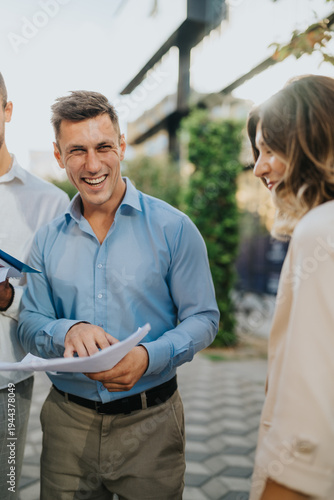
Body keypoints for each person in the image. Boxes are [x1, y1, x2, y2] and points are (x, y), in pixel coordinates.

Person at [18, 90, 219, 500]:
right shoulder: (45, 240)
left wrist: (149, 357)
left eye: (103, 146)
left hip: (152, 424)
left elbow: (204, 318)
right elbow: (29, 323)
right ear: (58, 156)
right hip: (66, 427)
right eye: (77, 151)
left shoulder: (174, 228)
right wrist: (66, 330)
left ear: (122, 146)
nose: (92, 165)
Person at [247, 74, 334, 500]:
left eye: (270, 149)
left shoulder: (320, 232)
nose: (259, 167)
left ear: (312, 144)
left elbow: (309, 428)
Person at [0, 72, 69, 499]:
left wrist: (6, 296)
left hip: (6, 382)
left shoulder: (48, 203)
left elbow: (55, 304)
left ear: (6, 110)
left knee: (4, 487)